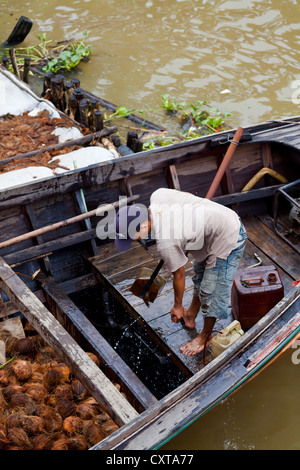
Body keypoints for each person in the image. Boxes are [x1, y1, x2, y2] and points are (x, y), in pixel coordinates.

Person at [114, 188, 247, 356]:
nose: (135, 240)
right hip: (209, 233)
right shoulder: (158, 195)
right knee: (200, 277)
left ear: (142, 225)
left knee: (210, 291)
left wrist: (177, 306)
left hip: (228, 236)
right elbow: (189, 198)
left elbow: (179, 275)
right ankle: (190, 315)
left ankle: (204, 337)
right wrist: (185, 234)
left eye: (133, 236)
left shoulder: (166, 242)